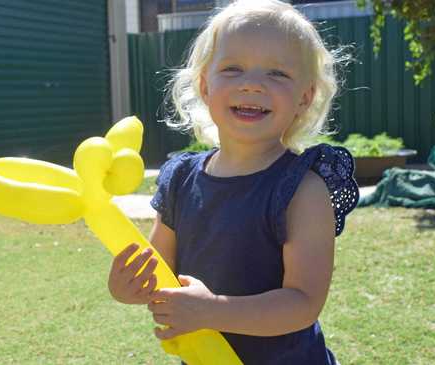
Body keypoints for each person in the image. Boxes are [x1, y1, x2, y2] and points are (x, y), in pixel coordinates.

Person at [107, 0, 358, 363]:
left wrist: (212, 311)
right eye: (233, 68)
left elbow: (304, 302)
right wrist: (127, 287)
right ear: (205, 86)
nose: (252, 85)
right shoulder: (180, 180)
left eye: (277, 74)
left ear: (305, 97)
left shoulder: (303, 189)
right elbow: (158, 274)